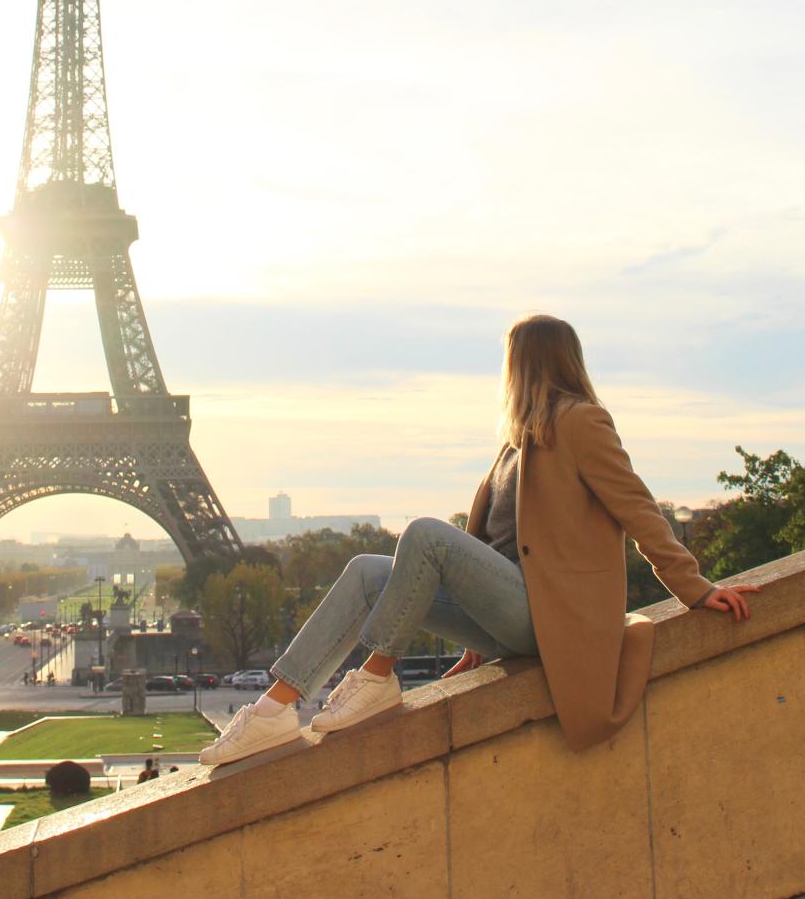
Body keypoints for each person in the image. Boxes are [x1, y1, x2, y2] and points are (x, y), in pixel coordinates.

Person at [200, 315, 760, 768]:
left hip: (553, 619)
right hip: (514, 613)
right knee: (368, 570)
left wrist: (693, 587)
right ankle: (275, 708)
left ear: (526, 362)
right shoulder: (516, 445)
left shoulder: (582, 422)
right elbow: (499, 546)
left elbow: (639, 508)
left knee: (424, 534)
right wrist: (473, 633)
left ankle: (375, 677)